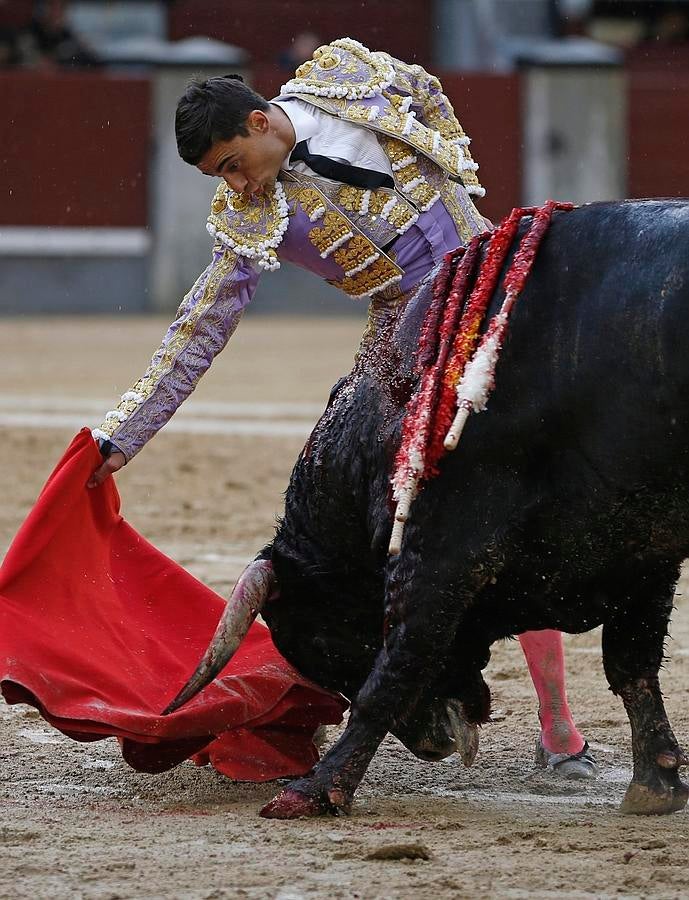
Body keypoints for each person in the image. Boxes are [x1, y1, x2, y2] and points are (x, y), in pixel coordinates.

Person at [89, 37, 596, 779]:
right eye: (217, 177)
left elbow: (421, 87)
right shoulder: (245, 219)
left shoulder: (345, 78)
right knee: (390, 509)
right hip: (404, 336)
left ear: (261, 123)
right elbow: (199, 328)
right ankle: (444, 695)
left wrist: (448, 169)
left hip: (497, 281)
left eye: (232, 163)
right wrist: (122, 435)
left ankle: (556, 725)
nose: (235, 185)